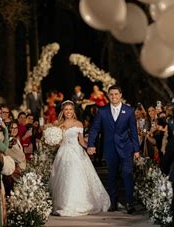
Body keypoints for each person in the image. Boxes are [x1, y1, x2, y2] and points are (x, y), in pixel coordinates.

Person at [49, 100, 110, 216]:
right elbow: (58, 142)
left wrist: (90, 147)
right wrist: (53, 140)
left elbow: (81, 141)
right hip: (63, 153)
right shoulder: (58, 124)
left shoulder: (79, 124)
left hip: (76, 152)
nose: (68, 112)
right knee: (64, 177)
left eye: (70, 109)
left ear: (73, 111)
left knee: (74, 175)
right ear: (63, 111)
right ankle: (64, 203)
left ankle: (76, 202)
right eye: (66, 109)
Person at [87, 85, 140, 214]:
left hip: (126, 148)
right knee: (111, 176)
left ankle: (129, 203)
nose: (114, 97)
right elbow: (95, 129)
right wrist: (91, 144)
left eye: (116, 94)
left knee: (127, 174)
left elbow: (133, 131)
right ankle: (113, 202)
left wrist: (136, 149)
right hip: (110, 148)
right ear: (108, 96)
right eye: (111, 94)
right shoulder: (102, 111)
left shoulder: (129, 111)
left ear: (120, 95)